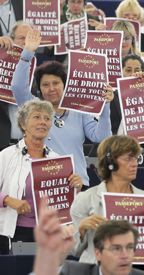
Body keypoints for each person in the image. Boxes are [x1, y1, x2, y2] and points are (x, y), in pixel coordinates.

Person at [11, 29, 113, 187]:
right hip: (44, 186)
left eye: (56, 83)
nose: (51, 88)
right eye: (45, 85)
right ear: (39, 89)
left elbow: (101, 137)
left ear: (65, 85)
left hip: (78, 185)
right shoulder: (34, 108)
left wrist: (105, 105)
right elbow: (17, 87)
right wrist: (28, 53)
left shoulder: (79, 109)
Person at [0, 99, 82, 254]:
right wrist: (8, 200)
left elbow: (64, 203)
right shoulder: (7, 155)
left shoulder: (58, 160)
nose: (43, 122)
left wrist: (75, 187)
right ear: (23, 124)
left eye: (47, 118)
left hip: (49, 234)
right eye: (36, 117)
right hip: (14, 233)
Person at [70, 135, 144, 266]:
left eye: (136, 158)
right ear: (110, 163)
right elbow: (75, 251)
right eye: (128, 158)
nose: (135, 163)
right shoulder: (86, 199)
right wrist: (81, 230)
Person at [33, 198, 144, 275]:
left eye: (129, 247)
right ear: (98, 253)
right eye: (116, 248)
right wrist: (48, 254)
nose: (125, 255)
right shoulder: (74, 272)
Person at [0, 21, 33, 150]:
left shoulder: (40, 71)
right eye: (21, 38)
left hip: (27, 146)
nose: (25, 42)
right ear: (11, 40)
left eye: (29, 38)